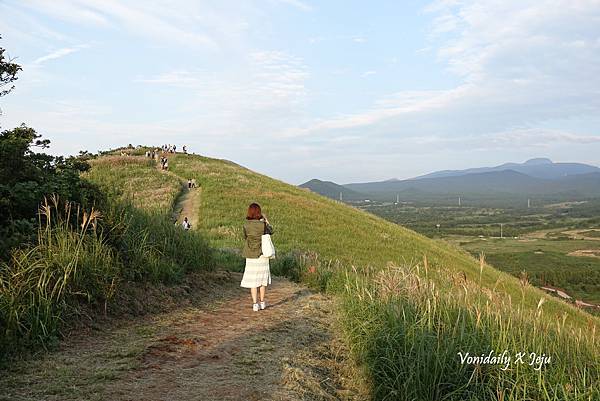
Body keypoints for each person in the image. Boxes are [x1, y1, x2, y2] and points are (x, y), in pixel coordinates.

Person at [241, 203, 273, 312]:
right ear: (259, 212)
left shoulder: (246, 225)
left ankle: (255, 304)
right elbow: (271, 231)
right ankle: (263, 302)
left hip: (250, 255)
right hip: (262, 255)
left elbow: (245, 237)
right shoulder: (263, 225)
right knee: (262, 281)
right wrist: (266, 220)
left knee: (253, 282)